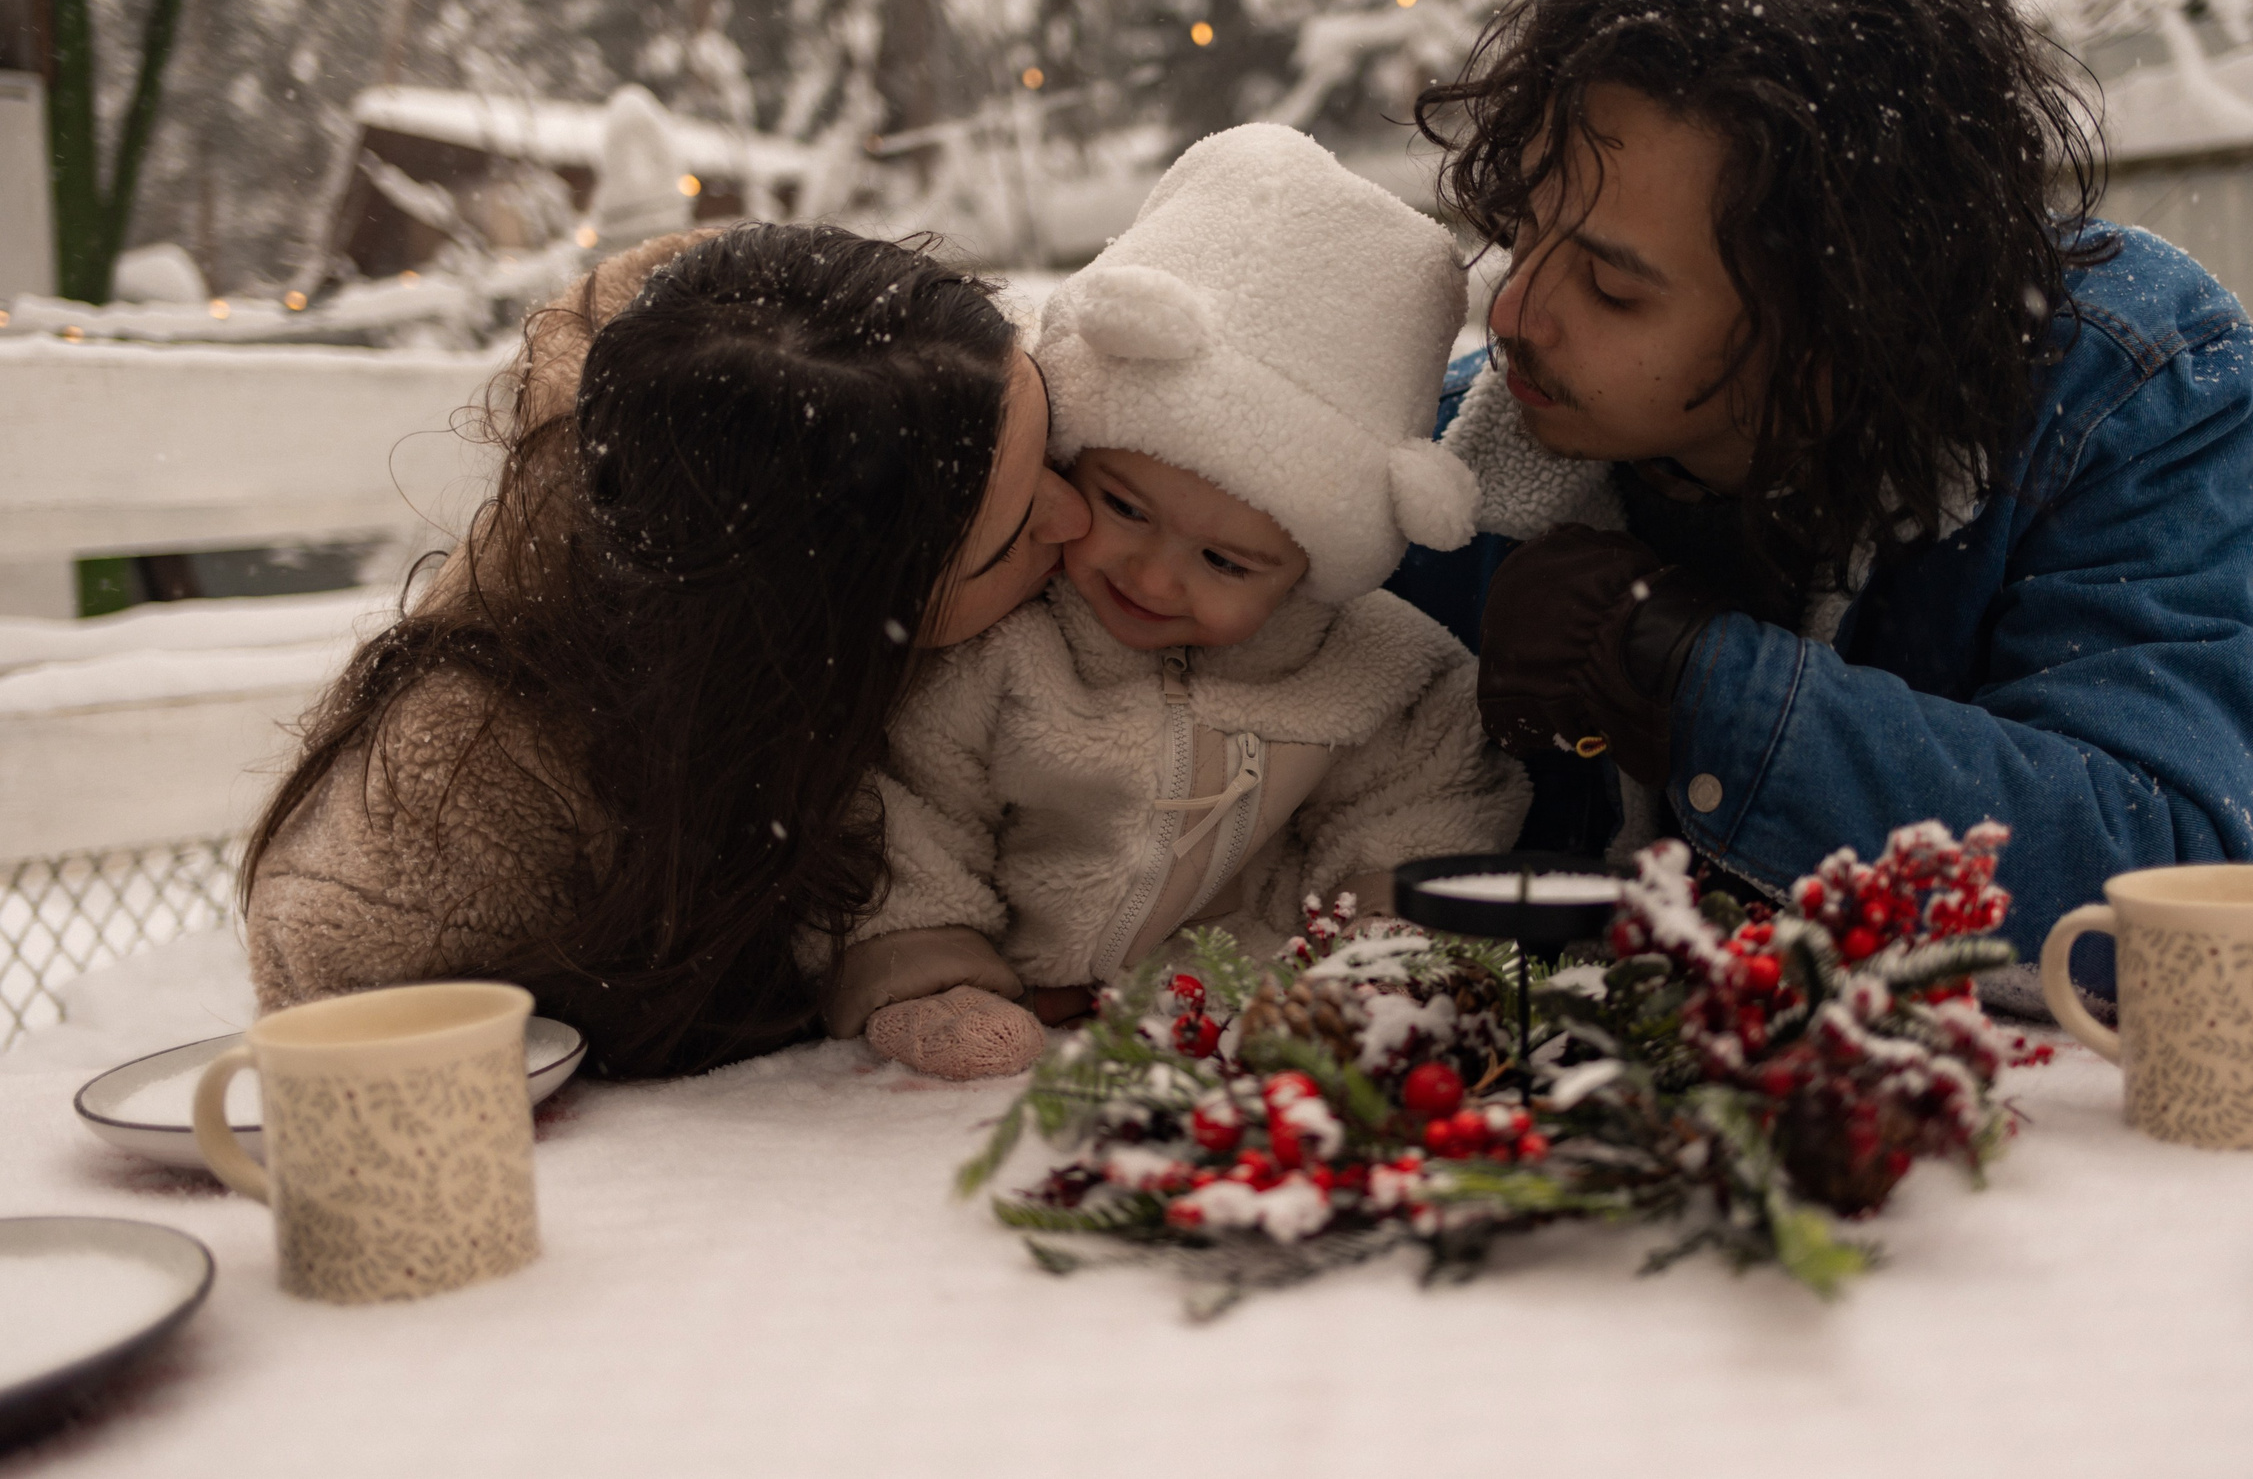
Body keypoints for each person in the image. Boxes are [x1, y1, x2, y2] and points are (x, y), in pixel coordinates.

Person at [1388, 0, 2253, 995]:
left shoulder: (2113, 379)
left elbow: (2166, 865)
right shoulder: (1446, 465)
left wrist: (1688, 676)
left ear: (1832, 325)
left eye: (1610, 287)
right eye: (1524, 232)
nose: (1515, 315)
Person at [241, 223, 1091, 1077]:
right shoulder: (483, 784)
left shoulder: (851, 374)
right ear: (827, 622)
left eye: (1048, 438)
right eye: (1014, 534)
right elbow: (337, 1031)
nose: (1079, 516)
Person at [836, 125, 1530, 1080]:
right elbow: (908, 802)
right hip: (1005, 1019)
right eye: (1123, 505)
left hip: (1240, 1024)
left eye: (1227, 561)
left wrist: (1374, 945)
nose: (1153, 577)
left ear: (1313, 566)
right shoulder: (1009, 639)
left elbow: (1427, 806)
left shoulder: (1377, 671)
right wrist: (932, 957)